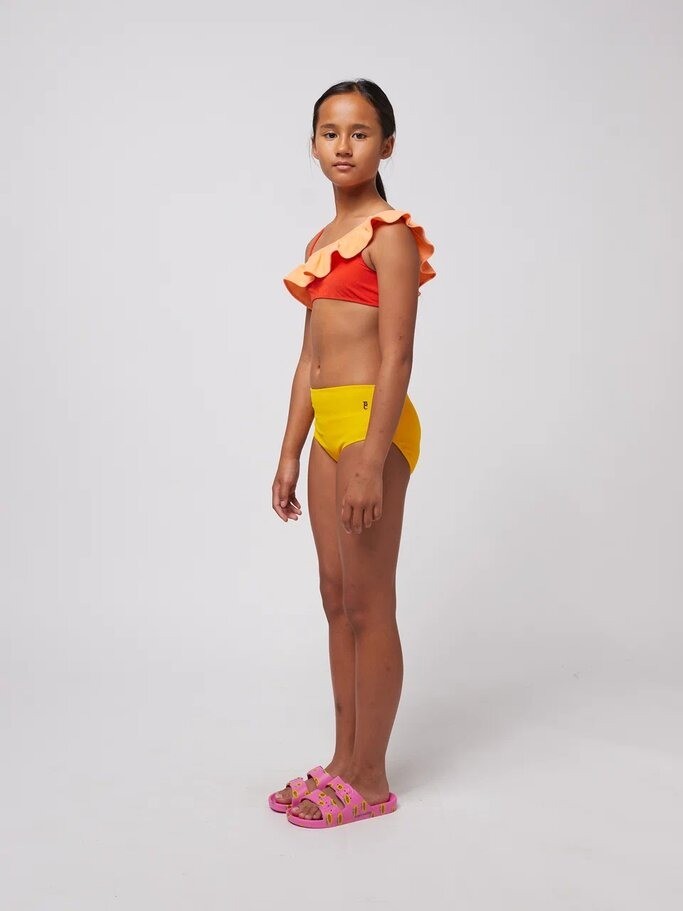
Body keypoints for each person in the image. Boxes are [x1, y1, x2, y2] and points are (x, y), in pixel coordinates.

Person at [269, 78, 437, 829]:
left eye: (360, 132)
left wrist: (370, 455)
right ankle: (343, 758)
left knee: (370, 603)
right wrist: (288, 453)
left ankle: (371, 778)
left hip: (375, 424)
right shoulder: (319, 244)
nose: (343, 145)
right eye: (330, 132)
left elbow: (397, 355)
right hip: (329, 426)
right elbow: (309, 358)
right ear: (313, 145)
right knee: (336, 600)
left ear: (386, 146)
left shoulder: (389, 234)